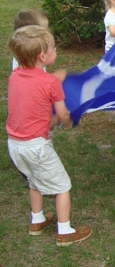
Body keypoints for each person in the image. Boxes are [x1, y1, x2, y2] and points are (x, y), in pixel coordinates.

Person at [7, 26, 92, 246]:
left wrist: (55, 77)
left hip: (15, 144)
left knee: (34, 180)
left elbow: (33, 93)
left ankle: (37, 220)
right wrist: (69, 121)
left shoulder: (15, 76)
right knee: (62, 187)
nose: (57, 50)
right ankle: (64, 231)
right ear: (42, 56)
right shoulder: (51, 83)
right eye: (54, 47)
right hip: (36, 146)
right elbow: (62, 113)